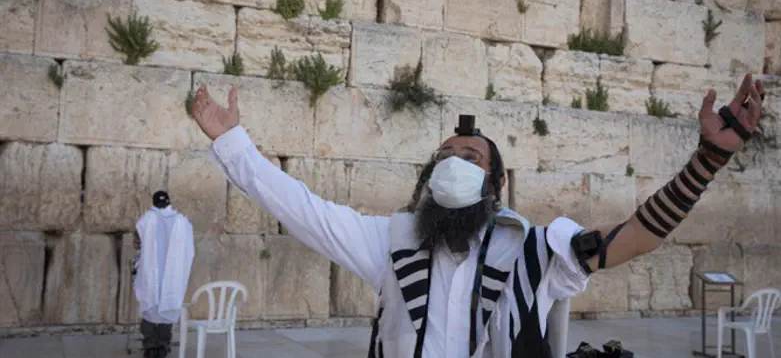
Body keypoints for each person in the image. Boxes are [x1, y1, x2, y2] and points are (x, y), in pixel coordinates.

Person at [190, 75, 764, 358]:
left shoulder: (538, 251)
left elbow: (636, 237)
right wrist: (233, 144)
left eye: (470, 158)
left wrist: (709, 158)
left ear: (496, 184)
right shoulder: (388, 242)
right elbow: (299, 207)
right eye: (444, 157)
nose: (453, 165)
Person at [134, 191, 195, 358]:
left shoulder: (146, 219)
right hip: (173, 276)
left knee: (149, 307)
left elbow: (137, 243)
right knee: (167, 309)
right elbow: (189, 250)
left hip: (150, 274)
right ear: (169, 202)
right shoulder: (183, 221)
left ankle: (150, 347)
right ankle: (162, 347)